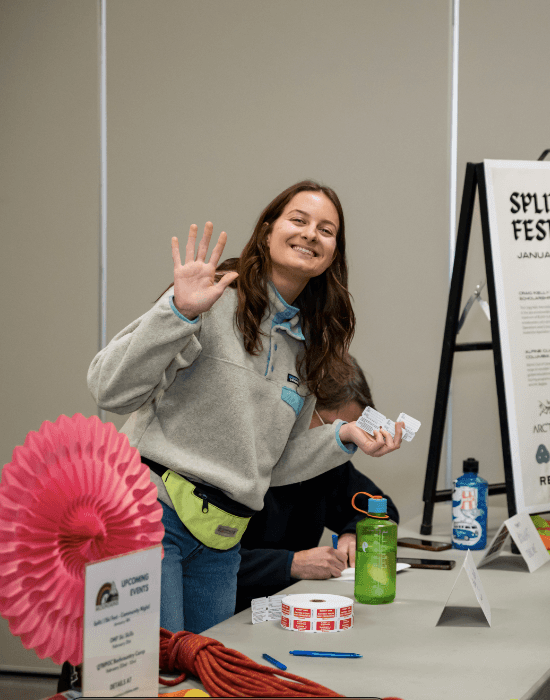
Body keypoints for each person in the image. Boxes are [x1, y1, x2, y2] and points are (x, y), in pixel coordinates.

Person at [88, 180, 404, 634]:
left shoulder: (309, 345)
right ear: (268, 228)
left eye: (326, 229)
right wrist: (177, 313)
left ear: (334, 254)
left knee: (209, 675)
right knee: (161, 675)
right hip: (153, 514)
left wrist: (343, 437)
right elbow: (108, 388)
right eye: (299, 220)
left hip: (223, 538)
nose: (311, 233)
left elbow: (273, 465)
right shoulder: (211, 298)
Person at [235, 358, 400, 613]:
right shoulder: (243, 460)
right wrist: (290, 564)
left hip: (292, 607)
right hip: (234, 614)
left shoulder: (326, 464)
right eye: (337, 430)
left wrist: (354, 533)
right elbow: (205, 563)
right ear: (300, 410)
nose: (339, 443)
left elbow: (383, 506)